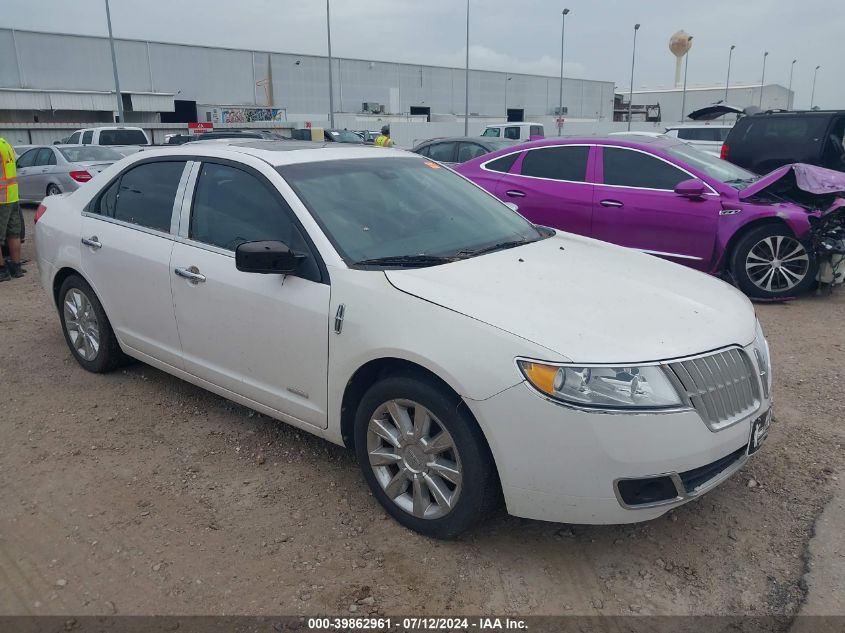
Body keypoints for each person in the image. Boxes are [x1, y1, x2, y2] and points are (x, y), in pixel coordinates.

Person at [0, 136, 24, 281]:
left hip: (1, 198)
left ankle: (2, 271)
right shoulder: (5, 143)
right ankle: (16, 267)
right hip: (12, 196)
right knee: (13, 234)